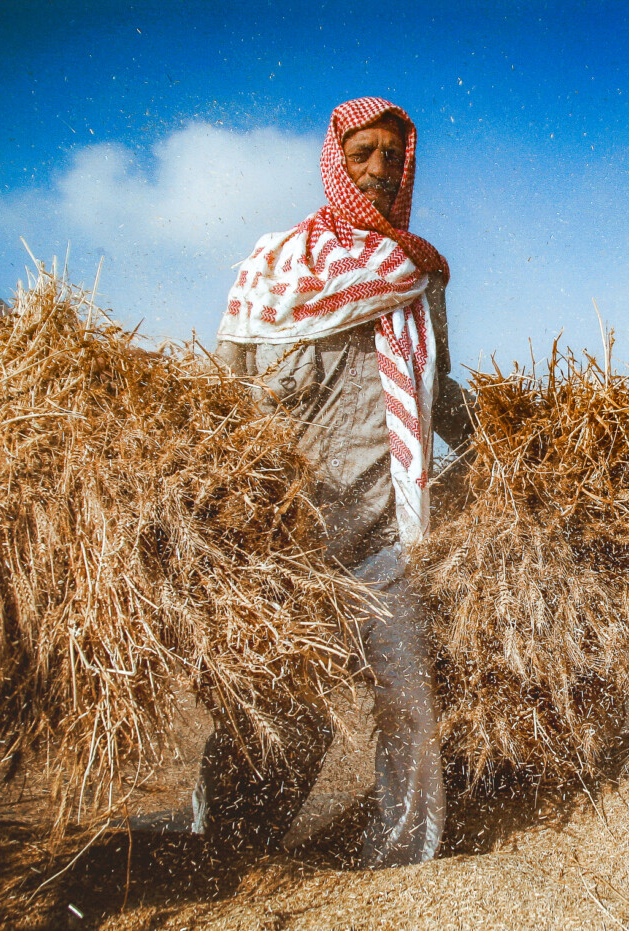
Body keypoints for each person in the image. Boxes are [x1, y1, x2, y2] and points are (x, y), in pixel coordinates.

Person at [200, 97, 473, 864]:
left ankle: (403, 855)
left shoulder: (418, 275)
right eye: (365, 155)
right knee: (267, 702)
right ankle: (216, 839)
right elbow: (227, 395)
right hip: (290, 536)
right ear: (337, 161)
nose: (381, 171)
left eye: (394, 156)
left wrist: (510, 451)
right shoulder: (278, 266)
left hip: (387, 531)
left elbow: (438, 389)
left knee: (406, 699)